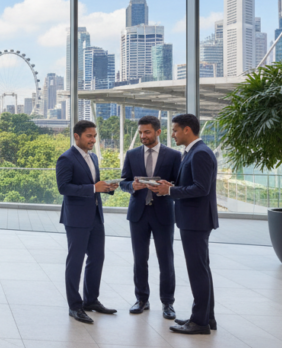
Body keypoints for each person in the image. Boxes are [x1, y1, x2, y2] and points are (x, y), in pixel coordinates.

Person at [148, 113, 218, 335]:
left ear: (187, 130)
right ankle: (206, 317)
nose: (173, 134)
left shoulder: (200, 154)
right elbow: (192, 183)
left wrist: (170, 190)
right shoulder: (192, 153)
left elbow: (201, 188)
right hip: (193, 219)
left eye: (175, 130)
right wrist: (174, 185)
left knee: (198, 271)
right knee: (201, 270)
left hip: (196, 220)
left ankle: (200, 322)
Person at [56, 120, 118, 324]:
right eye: (89, 136)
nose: (93, 139)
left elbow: (94, 185)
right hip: (76, 218)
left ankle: (91, 300)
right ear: (77, 136)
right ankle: (75, 305)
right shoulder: (66, 158)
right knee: (75, 261)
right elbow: (64, 188)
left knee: (97, 258)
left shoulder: (93, 157)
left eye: (94, 136)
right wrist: (93, 188)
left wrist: (106, 187)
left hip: (95, 216)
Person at [119, 115, 180, 320]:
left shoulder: (173, 155)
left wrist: (168, 187)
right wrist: (131, 186)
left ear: (158, 132)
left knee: (166, 260)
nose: (143, 136)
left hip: (163, 213)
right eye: (140, 132)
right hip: (138, 213)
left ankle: (168, 303)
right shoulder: (132, 154)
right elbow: (123, 181)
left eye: (147, 132)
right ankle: (142, 299)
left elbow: (179, 184)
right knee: (139, 259)